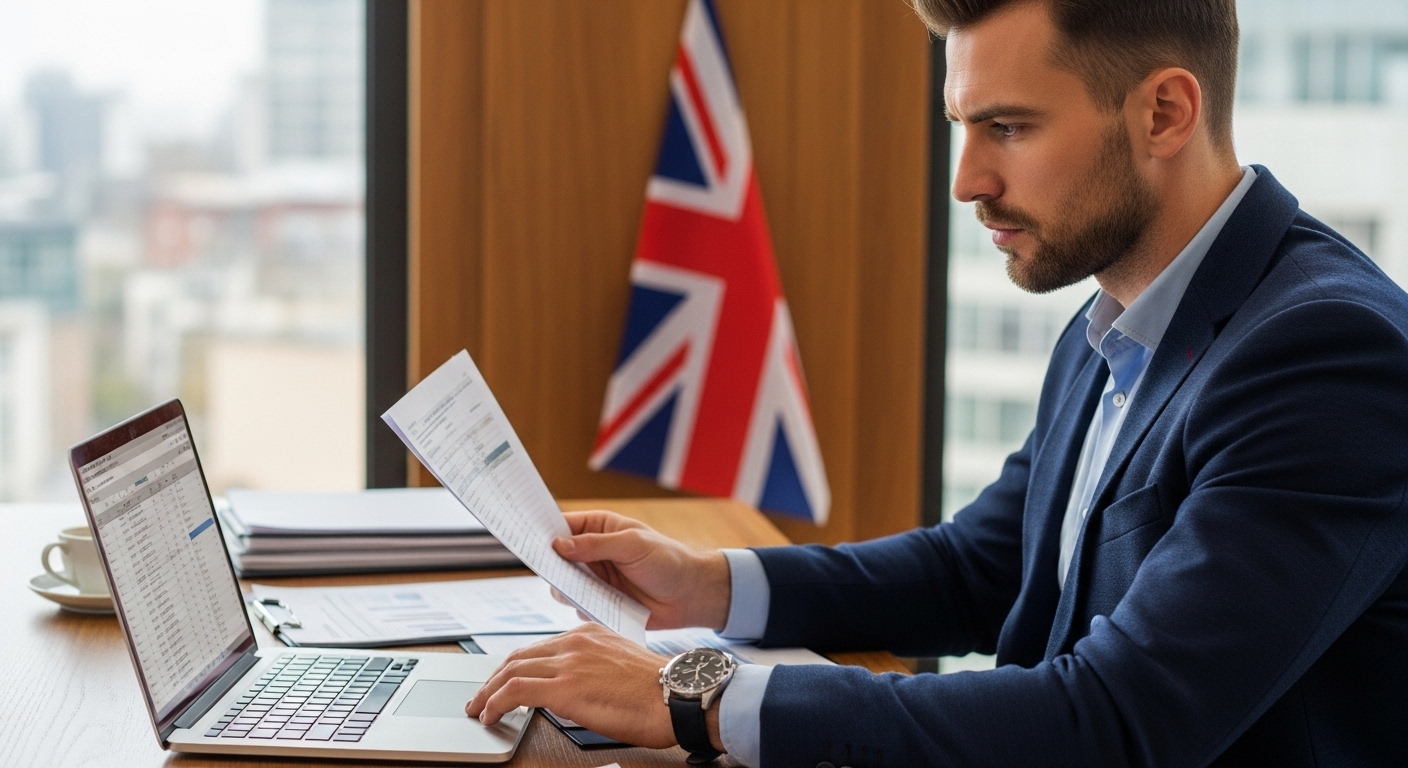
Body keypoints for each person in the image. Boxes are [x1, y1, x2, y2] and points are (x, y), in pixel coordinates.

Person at [466, 0, 1408, 765]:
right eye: (962, 127)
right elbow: (983, 568)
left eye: (1008, 128)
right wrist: (707, 587)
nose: (966, 180)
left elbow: (1122, 724)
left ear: (1164, 112)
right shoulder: (1121, 313)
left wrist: (692, 692)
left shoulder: (1326, 353)